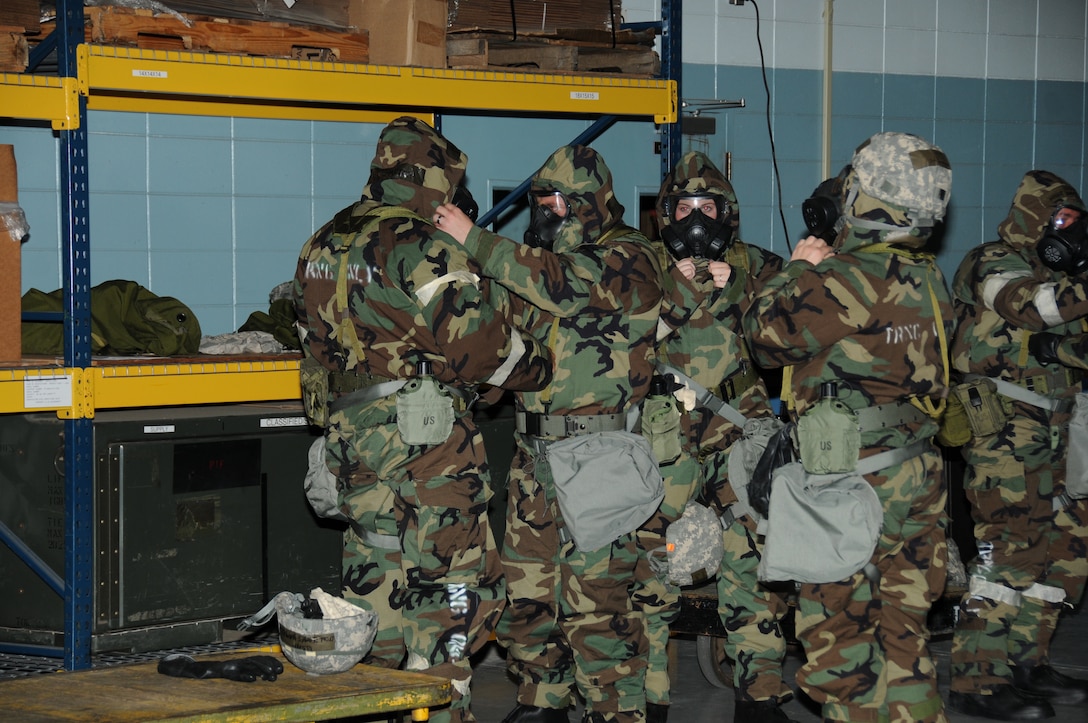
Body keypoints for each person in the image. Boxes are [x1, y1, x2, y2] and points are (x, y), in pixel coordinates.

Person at [293, 116, 554, 723]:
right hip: (428, 435)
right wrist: (537, 366)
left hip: (351, 432)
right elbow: (480, 349)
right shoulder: (428, 246)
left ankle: (377, 704)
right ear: (436, 177)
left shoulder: (322, 241)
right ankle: (445, 701)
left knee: (375, 569)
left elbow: (310, 343)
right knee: (455, 581)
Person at [436, 144, 664, 723]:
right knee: (526, 599)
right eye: (539, 202)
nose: (545, 213)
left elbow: (565, 286)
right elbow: (511, 336)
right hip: (535, 457)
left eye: (557, 202)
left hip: (599, 457)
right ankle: (544, 700)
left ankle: (617, 711)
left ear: (589, 204)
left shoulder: (627, 257)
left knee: (598, 608)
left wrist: (476, 239)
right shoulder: (537, 267)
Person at [742, 131, 954, 723]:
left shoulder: (847, 280)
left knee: (841, 648)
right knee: (903, 637)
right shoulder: (927, 277)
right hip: (915, 473)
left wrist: (799, 268)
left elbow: (763, 335)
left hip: (849, 482)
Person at [642, 151, 793, 723]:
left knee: (754, 570)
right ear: (666, 214)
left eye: (708, 206)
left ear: (727, 213)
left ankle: (758, 696)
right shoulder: (641, 268)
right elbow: (618, 346)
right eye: (685, 206)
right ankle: (649, 698)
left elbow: (795, 334)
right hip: (664, 447)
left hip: (740, 444)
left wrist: (743, 294)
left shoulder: (760, 268)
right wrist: (675, 297)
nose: (696, 218)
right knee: (654, 572)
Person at [946, 169, 1088, 721]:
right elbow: (1031, 309)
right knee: (1007, 547)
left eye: (1076, 221)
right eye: (1061, 220)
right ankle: (976, 680)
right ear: (1036, 218)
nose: (1069, 231)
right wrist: (1052, 343)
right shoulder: (992, 260)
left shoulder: (1065, 275)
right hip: (1005, 421)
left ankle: (1029, 663)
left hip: (1064, 420)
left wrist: (1059, 351)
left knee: (1064, 547)